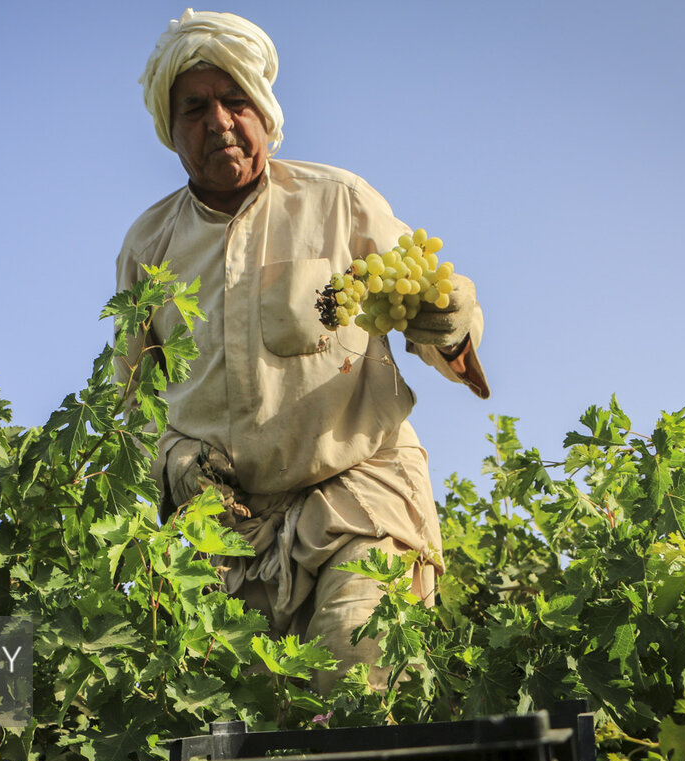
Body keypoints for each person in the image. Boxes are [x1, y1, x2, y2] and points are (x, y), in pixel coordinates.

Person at [116, 9, 489, 693]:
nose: (219, 122)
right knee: (248, 729)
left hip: (361, 497)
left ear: (265, 110)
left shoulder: (337, 201)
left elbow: (429, 309)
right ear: (170, 131)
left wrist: (452, 318)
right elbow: (135, 400)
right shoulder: (150, 248)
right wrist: (175, 462)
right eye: (195, 108)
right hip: (233, 538)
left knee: (351, 683)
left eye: (235, 102)